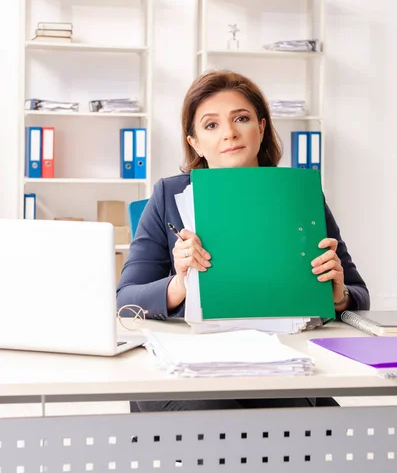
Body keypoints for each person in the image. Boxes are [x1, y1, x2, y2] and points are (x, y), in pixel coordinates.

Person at [117, 69, 370, 412]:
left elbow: (359, 294)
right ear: (194, 142)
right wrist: (180, 283)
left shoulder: (298, 195)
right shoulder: (168, 195)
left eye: (242, 118)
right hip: (191, 366)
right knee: (217, 411)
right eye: (211, 125)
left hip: (279, 357)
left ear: (261, 128)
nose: (230, 133)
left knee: (300, 413)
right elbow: (125, 300)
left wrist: (337, 293)